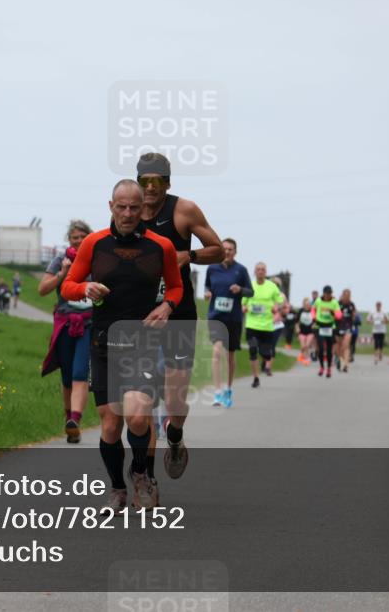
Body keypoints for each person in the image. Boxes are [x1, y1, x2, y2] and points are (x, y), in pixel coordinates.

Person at [61, 179, 182, 513]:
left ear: (143, 207)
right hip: (104, 341)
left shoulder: (161, 247)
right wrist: (85, 289)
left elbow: (175, 287)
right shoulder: (93, 244)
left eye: (134, 207)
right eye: (121, 206)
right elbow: (67, 286)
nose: (128, 213)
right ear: (110, 206)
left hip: (142, 341)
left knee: (139, 416)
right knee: (111, 424)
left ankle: (141, 473)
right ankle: (117, 488)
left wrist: (167, 306)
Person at [136, 153, 223, 481]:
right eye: (144, 180)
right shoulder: (129, 212)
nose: (150, 186)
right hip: (141, 316)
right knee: (142, 400)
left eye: (157, 180)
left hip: (179, 313)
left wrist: (189, 255)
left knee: (175, 400)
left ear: (167, 183)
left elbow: (218, 248)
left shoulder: (183, 210)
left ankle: (174, 436)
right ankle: (144, 476)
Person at [39, 220, 94, 443]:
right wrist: (63, 273)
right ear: (69, 240)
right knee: (67, 377)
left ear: (89, 238)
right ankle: (69, 420)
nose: (79, 241)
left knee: (80, 372)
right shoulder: (60, 260)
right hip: (64, 323)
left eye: (83, 236)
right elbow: (42, 290)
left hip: (89, 323)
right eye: (74, 237)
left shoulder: (97, 261)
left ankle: (76, 418)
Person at [203, 238, 253, 408]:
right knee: (217, 351)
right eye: (224, 248)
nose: (227, 251)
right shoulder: (212, 268)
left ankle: (228, 388)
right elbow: (207, 287)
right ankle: (217, 392)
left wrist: (240, 290)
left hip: (234, 318)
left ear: (235, 252)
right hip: (216, 317)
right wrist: (207, 293)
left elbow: (250, 292)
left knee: (230, 355)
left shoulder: (241, 270)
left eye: (230, 249)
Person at [242, 262, 285, 388]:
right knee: (253, 350)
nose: (260, 271)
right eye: (258, 269)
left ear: (265, 272)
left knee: (266, 354)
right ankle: (255, 377)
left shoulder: (272, 287)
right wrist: (244, 307)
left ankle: (265, 358)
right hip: (251, 325)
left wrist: (277, 307)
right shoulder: (249, 286)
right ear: (254, 272)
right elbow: (243, 302)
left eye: (263, 270)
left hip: (267, 326)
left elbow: (281, 301)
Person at [312, 285, 341, 378]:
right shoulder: (318, 301)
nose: (328, 295)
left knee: (329, 350)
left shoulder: (334, 302)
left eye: (329, 294)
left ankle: (328, 368)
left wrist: (334, 313)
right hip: (320, 325)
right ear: (323, 293)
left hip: (330, 327)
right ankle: (321, 367)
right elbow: (313, 309)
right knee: (320, 349)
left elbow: (339, 315)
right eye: (326, 294)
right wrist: (314, 317)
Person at [336, 289, 358, 373]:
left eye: (348, 295)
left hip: (348, 327)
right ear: (342, 295)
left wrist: (354, 319)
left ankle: (346, 364)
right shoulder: (338, 304)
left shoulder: (351, 305)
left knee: (346, 345)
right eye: (345, 295)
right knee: (339, 346)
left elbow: (353, 315)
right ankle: (340, 360)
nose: (346, 297)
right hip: (339, 327)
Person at [295, 297, 315, 365]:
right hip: (302, 331)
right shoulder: (300, 311)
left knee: (307, 345)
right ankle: (302, 355)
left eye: (308, 304)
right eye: (306, 304)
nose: (307, 305)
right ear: (303, 304)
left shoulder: (312, 311)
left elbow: (315, 320)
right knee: (303, 346)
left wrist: (314, 326)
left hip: (310, 331)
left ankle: (307, 358)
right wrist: (297, 328)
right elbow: (296, 322)